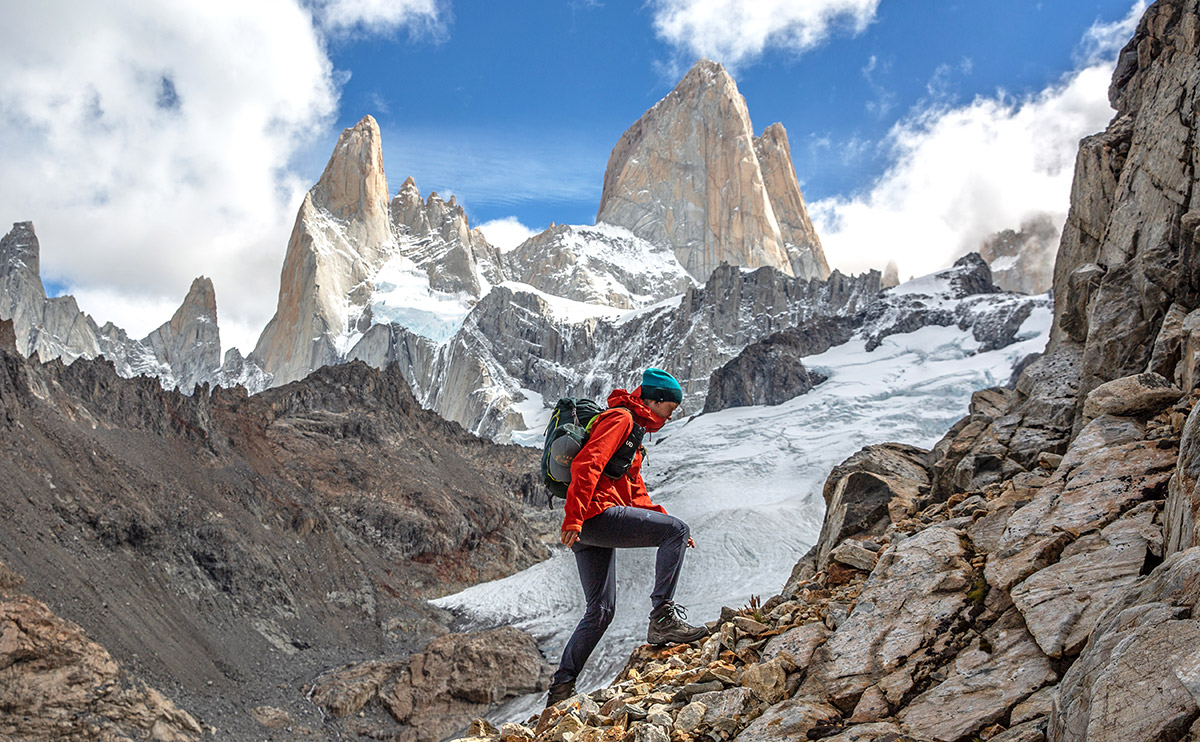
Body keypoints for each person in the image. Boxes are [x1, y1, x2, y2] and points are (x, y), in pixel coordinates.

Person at [547, 367, 708, 706]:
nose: (674, 412)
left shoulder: (632, 430)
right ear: (657, 400)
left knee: (600, 610)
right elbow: (586, 466)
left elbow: (634, 493)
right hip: (593, 517)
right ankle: (663, 617)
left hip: (588, 525)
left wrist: (665, 524)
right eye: (672, 406)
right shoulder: (620, 420)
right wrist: (574, 518)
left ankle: (560, 689)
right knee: (675, 531)